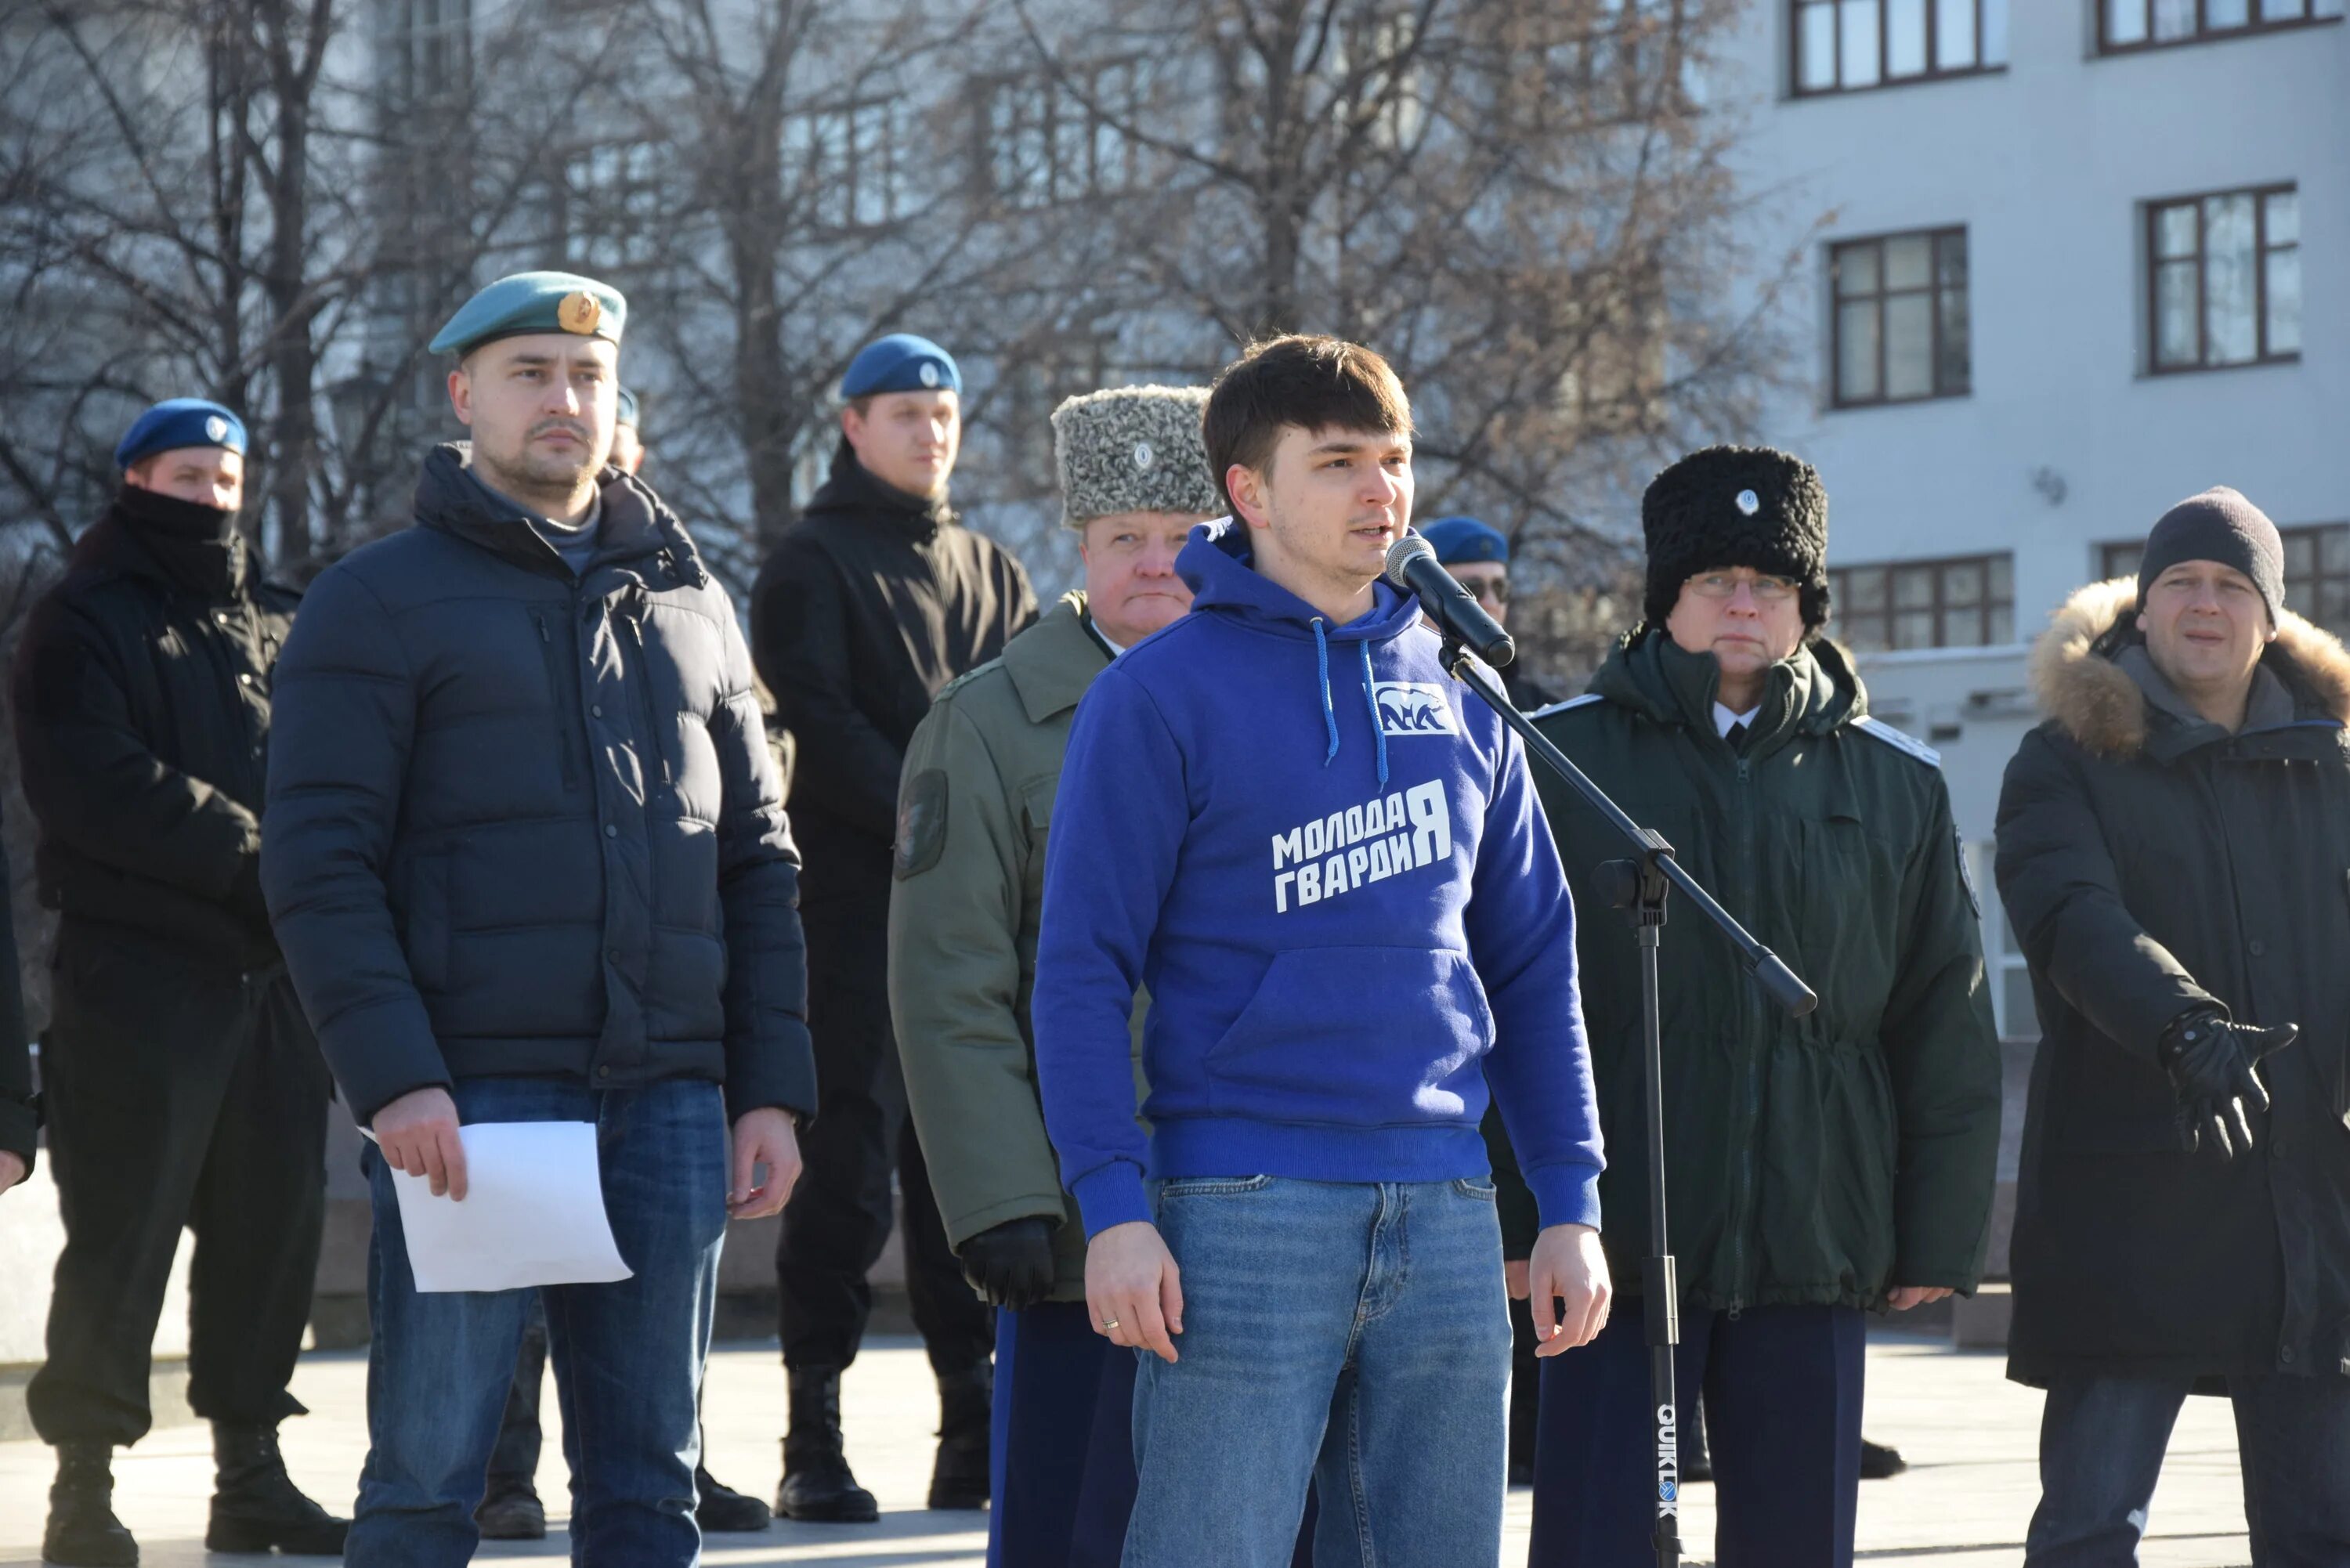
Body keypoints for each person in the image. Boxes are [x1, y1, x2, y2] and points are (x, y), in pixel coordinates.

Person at [262, 270, 814, 1568]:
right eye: (529, 374)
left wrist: (769, 1089)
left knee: (649, 1492)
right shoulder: (375, 599)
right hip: (476, 1108)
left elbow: (760, 859)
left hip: (671, 1104)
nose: (564, 400)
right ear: (464, 396)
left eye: (586, 377)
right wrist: (396, 1079)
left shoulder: (691, 603)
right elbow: (318, 860)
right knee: (426, 1481)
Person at [1031, 334, 1610, 1566]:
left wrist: (1569, 1197)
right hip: (1240, 1207)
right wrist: (1111, 1207)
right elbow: (1080, 969)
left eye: (1393, 460)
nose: (1380, 492)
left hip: (1450, 1205)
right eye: (1339, 461)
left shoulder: (1463, 691)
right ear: (1250, 490)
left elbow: (1532, 963)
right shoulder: (1156, 695)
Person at [1521, 446, 2001, 1567]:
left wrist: (1937, 1227)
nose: (1743, 602)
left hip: (1811, 1233)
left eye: (1771, 584)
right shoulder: (1561, 760)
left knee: (1798, 1541)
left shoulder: (1895, 782)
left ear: (1805, 607)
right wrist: (1520, 1217)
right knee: (1599, 1539)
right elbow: (1506, 998)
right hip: (1617, 1243)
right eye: (1715, 580)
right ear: (1666, 599)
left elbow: (1942, 1012)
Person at [13, 398, 345, 1566]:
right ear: (135, 477)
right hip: (137, 979)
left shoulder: (287, 617)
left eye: (226, 476)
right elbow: (95, 781)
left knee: (272, 1234)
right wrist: (265, 858)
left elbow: (339, 769)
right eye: (189, 473)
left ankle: (249, 1474)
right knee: (122, 1237)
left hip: (273, 982)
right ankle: (82, 1489)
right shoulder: (80, 619)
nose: (212, 495)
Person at [891, 386, 1219, 1565]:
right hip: (1083, 1230)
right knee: (1074, 1525)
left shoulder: (1285, 696)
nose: (1155, 563)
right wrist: (1002, 1201)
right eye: (1125, 536)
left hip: (1264, 1209)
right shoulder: (988, 726)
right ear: (1079, 546)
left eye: (1183, 535)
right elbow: (950, 981)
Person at [1996, 486, 2350, 1566]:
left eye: (2232, 585)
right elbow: (2068, 911)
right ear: (2141, 609)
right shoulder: (2065, 757)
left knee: (2326, 1531)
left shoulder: (2332, 761)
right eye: (2181, 583)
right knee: (2093, 1527)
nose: (2206, 604)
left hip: (2304, 1208)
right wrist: (2180, 1022)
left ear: (2270, 614)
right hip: (2131, 1199)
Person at [469, 380, 773, 1542]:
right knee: (503, 1333)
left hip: (664, 1032)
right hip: (521, 1036)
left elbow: (752, 804)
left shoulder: (691, 600)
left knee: (652, 1375)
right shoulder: (466, 597)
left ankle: (682, 1462)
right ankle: (507, 1467)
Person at [751, 331, 1035, 1519]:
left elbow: (1023, 722)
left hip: (978, 918)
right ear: (852, 424)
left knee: (965, 1159)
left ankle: (971, 1421)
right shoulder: (809, 563)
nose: (932, 431)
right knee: (849, 1166)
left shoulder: (993, 566)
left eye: (945, 410)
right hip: (856, 907)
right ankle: (812, 1429)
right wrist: (938, 821)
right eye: (905, 411)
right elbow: (815, 722)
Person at [1420, 514, 1556, 710]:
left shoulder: (1539, 705)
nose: (1491, 603)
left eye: (1500, 588)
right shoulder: (1402, 693)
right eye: (1470, 590)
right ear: (1421, 595)